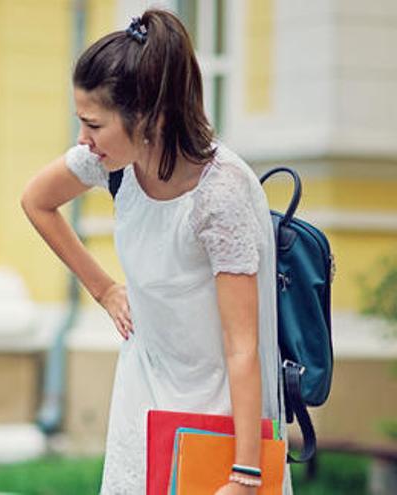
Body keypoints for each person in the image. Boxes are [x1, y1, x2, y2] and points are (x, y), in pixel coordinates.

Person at [21, 10, 289, 494]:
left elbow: (242, 346)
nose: (83, 139)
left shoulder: (219, 192)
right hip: (143, 392)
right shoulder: (113, 162)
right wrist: (103, 290)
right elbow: (36, 201)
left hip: (223, 407)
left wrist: (246, 473)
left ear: (147, 115)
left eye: (94, 124)